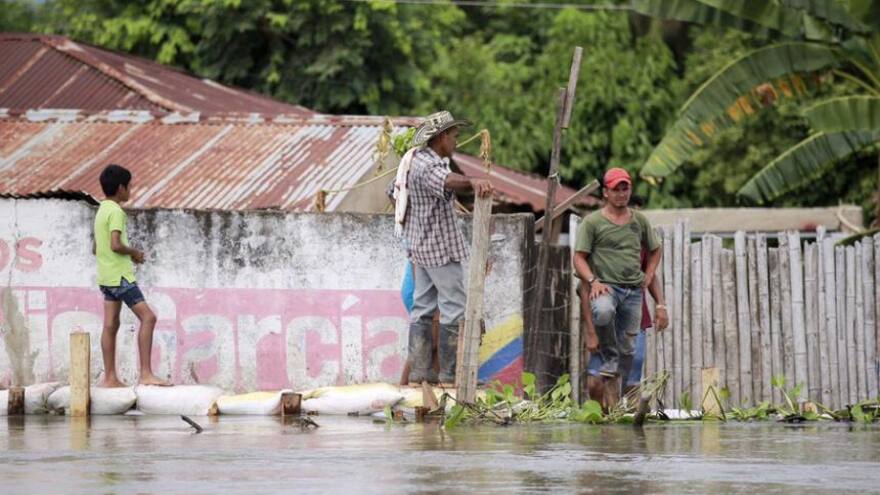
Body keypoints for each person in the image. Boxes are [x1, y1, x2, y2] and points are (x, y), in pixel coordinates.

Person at [390, 110, 493, 384]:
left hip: (421, 247)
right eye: (455, 136)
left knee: (422, 307)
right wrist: (472, 181)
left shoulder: (410, 162)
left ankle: (420, 374)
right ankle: (451, 375)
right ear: (442, 137)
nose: (457, 142)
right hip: (439, 248)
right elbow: (445, 181)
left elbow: (395, 193)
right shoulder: (430, 165)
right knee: (454, 307)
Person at [573, 168, 662, 401]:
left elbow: (655, 251)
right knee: (603, 312)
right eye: (616, 189)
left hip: (633, 298)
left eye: (625, 189)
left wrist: (651, 279)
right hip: (606, 293)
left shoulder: (639, 223)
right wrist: (594, 281)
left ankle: (628, 420)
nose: (622, 194)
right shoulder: (593, 224)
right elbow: (579, 264)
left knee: (632, 361)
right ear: (606, 193)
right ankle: (601, 415)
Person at [93, 164, 169, 387]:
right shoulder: (116, 211)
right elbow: (116, 245)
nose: (131, 191)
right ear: (120, 188)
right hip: (121, 277)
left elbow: (96, 247)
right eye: (130, 186)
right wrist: (134, 253)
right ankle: (146, 374)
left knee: (110, 325)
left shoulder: (101, 211)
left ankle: (109, 378)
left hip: (106, 277)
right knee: (149, 318)